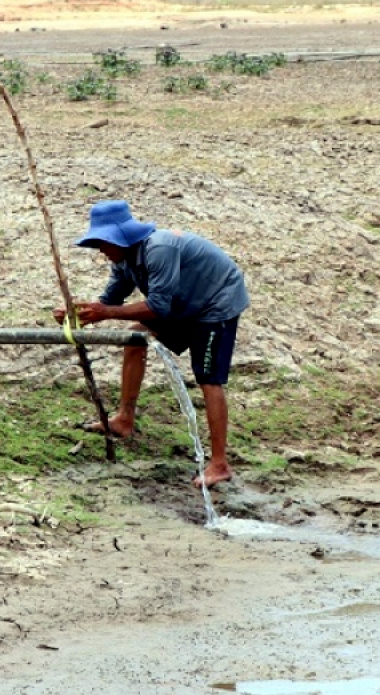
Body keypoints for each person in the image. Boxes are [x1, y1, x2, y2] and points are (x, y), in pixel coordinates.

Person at [53, 200, 249, 489]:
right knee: (135, 337)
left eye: (103, 244)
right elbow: (111, 301)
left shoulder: (159, 249)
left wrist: (105, 313)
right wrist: (79, 314)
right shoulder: (123, 261)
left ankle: (219, 463)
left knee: (208, 377)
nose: (101, 252)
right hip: (181, 303)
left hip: (215, 302)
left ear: (118, 238)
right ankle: (124, 419)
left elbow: (157, 307)